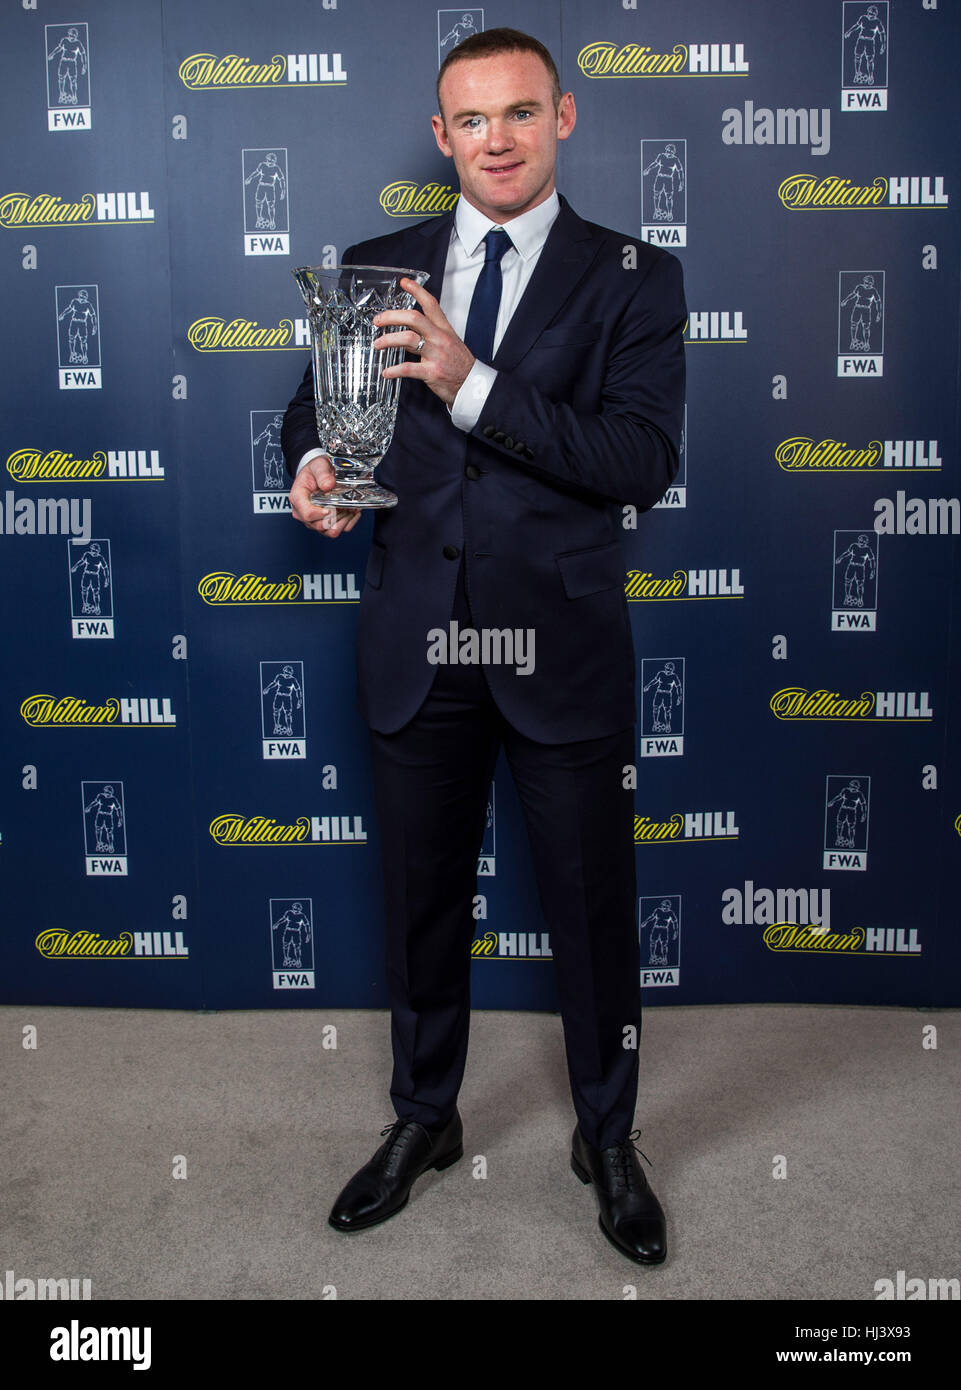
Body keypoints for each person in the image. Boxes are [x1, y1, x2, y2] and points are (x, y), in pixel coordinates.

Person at [282, 27, 685, 1265]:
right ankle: (424, 1118)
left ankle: (605, 1138)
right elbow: (319, 413)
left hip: (559, 646)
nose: (495, 139)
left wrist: (467, 382)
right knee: (419, 908)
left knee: (591, 910)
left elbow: (637, 464)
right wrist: (312, 465)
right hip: (417, 642)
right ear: (441, 130)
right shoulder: (376, 267)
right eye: (471, 120)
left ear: (562, 117)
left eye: (519, 113)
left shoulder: (633, 275)